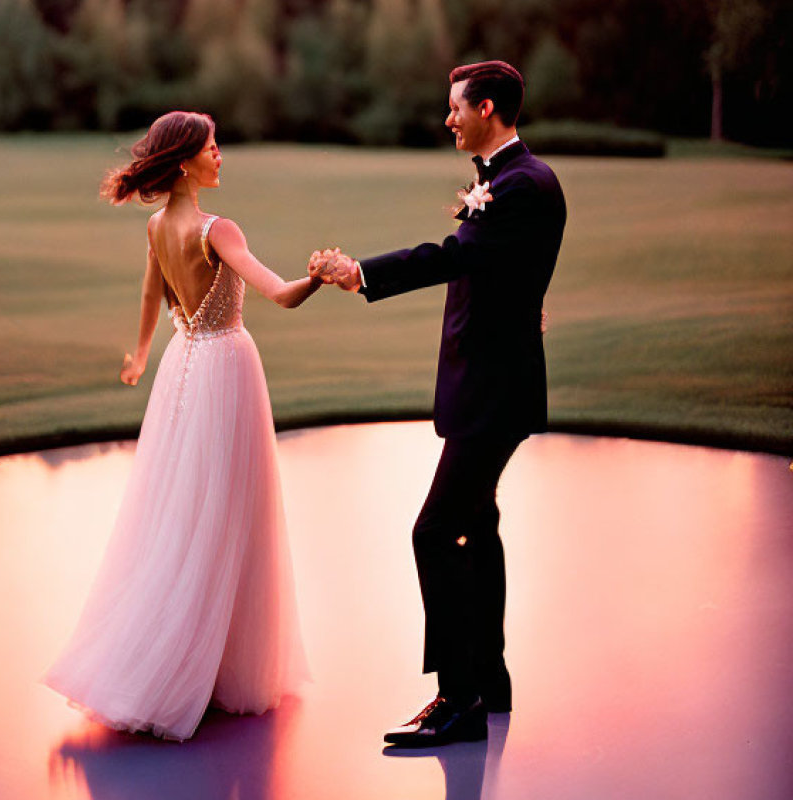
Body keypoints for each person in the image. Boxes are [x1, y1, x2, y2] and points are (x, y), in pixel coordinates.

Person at [310, 61, 566, 748]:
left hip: (494, 390)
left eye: (455, 108)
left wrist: (362, 272)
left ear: (487, 108)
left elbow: (454, 257)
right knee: (476, 527)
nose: (447, 119)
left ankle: (458, 700)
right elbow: (498, 274)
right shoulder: (505, 181)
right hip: (485, 382)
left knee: (433, 532)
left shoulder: (521, 186)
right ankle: (491, 680)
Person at [43, 111, 319, 742]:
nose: (221, 156)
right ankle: (205, 670)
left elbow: (150, 296)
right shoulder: (216, 229)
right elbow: (277, 293)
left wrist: (142, 355)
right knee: (228, 513)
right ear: (186, 161)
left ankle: (196, 661)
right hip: (225, 365)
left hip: (181, 366)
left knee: (183, 509)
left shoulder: (156, 224)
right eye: (212, 148)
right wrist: (320, 278)